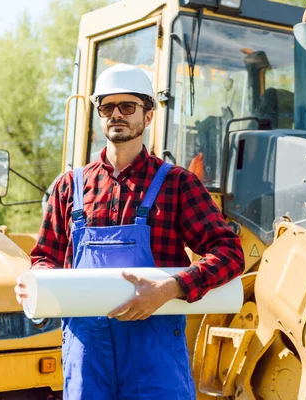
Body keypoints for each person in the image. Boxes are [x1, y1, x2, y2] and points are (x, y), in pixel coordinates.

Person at [14, 63, 245, 400]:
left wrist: (172, 287)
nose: (116, 114)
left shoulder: (177, 184)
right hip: (87, 356)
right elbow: (45, 259)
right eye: (107, 106)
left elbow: (229, 252)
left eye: (128, 106)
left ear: (148, 116)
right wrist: (34, 282)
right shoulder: (69, 188)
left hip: (155, 357)